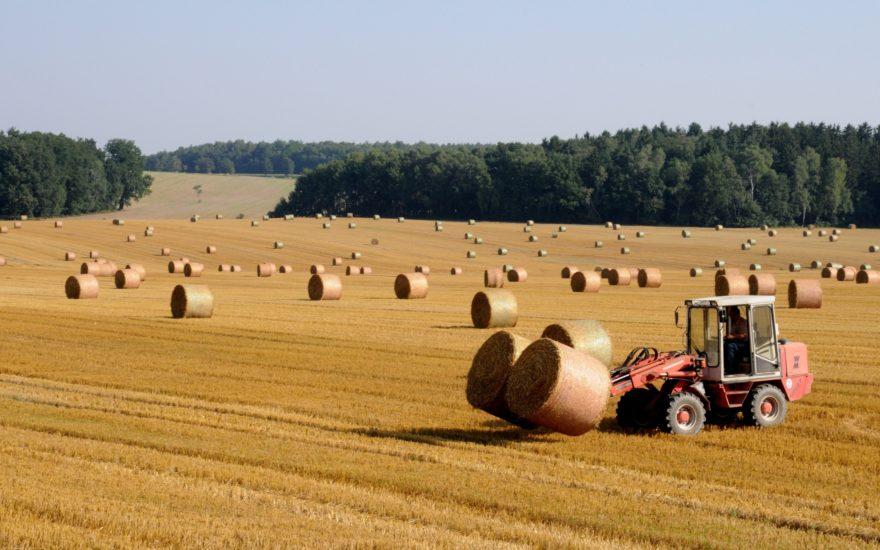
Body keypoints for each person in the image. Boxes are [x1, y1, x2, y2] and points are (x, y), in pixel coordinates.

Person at [724, 306, 749, 373]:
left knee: (730, 346)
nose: (730, 317)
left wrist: (732, 337)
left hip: (744, 344)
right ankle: (724, 366)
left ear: (736, 314)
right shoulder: (733, 323)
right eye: (730, 315)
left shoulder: (743, 322)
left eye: (731, 315)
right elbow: (731, 334)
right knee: (723, 344)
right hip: (737, 342)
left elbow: (744, 335)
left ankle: (730, 369)